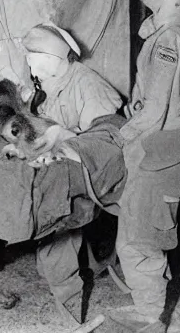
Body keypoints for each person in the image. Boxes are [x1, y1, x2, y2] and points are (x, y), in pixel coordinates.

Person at [107, 0, 180, 333]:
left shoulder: (170, 38)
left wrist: (120, 136)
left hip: (158, 149)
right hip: (163, 145)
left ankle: (149, 317)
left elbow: (156, 110)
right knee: (136, 231)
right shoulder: (177, 32)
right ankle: (146, 308)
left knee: (141, 238)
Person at [20, 23, 123, 323]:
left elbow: (109, 137)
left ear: (53, 59)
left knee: (57, 216)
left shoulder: (87, 84)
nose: (28, 63)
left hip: (89, 173)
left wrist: (64, 138)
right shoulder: (48, 84)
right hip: (57, 165)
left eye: (32, 57)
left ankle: (68, 308)